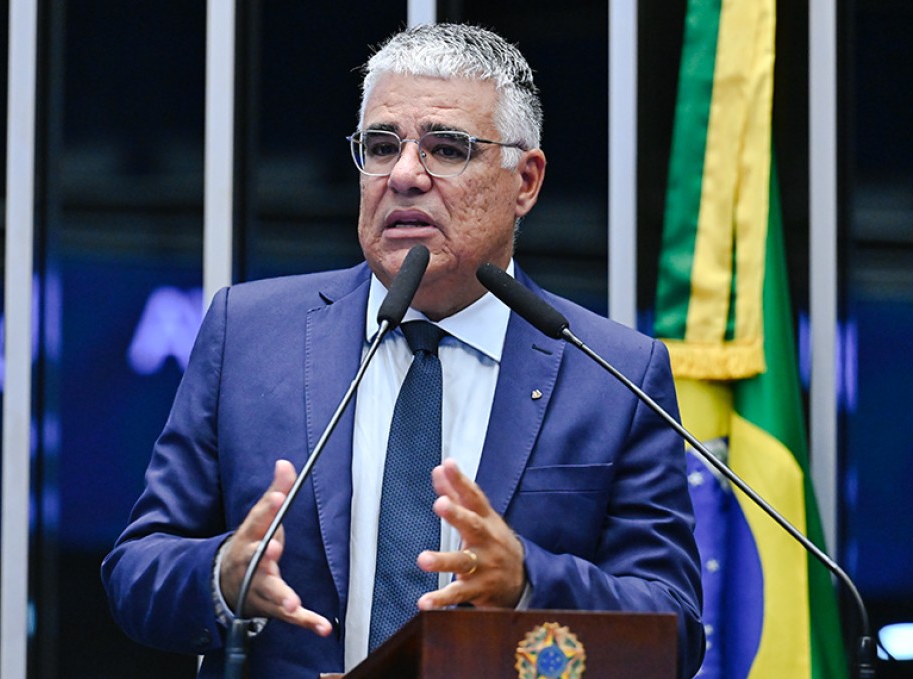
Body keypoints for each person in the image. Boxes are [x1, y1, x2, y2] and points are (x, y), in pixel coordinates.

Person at [102, 23, 704, 678]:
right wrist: (223, 575)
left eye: (446, 149)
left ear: (525, 182)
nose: (405, 175)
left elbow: (674, 632)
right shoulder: (248, 334)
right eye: (382, 146)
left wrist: (530, 581)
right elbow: (138, 569)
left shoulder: (613, 374)